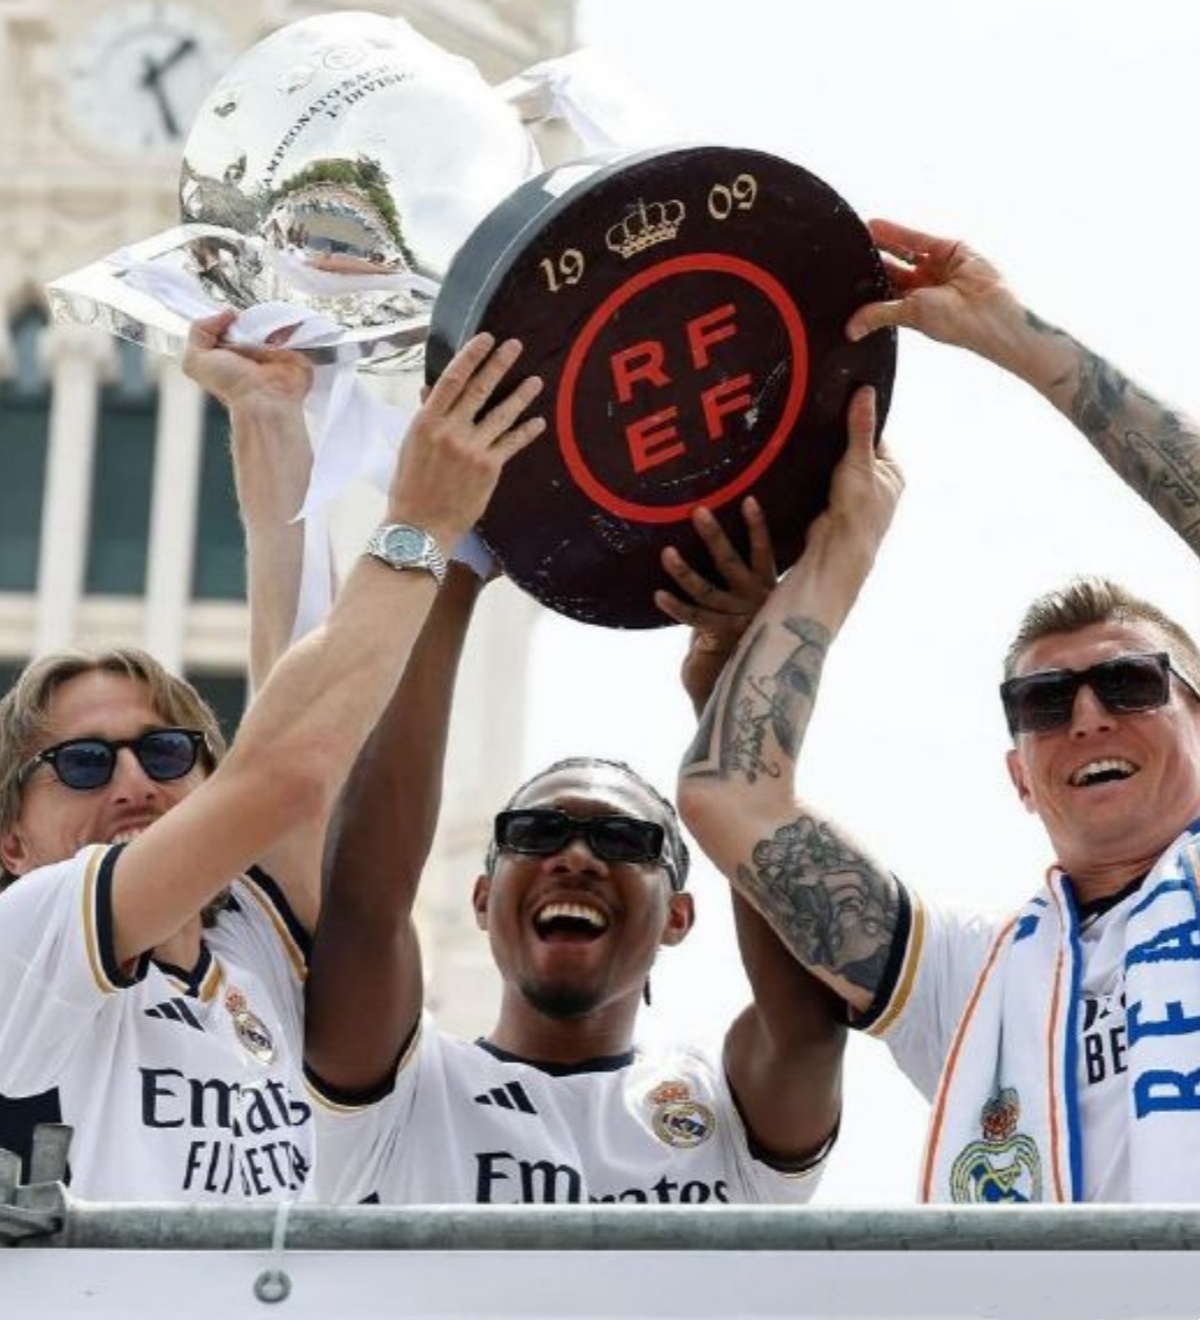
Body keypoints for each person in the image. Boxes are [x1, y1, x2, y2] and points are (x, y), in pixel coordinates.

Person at [677, 217, 1200, 1203]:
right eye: (1043, 702)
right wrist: (842, 550)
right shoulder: (972, 973)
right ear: (1019, 774)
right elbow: (729, 798)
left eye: (1132, 683)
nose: (1088, 716)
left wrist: (1017, 341)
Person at [0, 317, 544, 1201]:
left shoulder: (250, 939)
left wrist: (267, 413)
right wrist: (421, 527)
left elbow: (295, 684)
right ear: (12, 844)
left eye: (166, 751)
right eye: (85, 764)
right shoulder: (26, 938)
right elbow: (287, 768)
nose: (136, 782)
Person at [300, 500, 846, 1205]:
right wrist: (457, 558)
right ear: (482, 898)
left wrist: (730, 694)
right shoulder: (401, 1099)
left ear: (678, 916)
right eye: (536, 832)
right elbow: (362, 911)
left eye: (623, 840)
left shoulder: (723, 1117)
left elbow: (807, 1031)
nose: (577, 857)